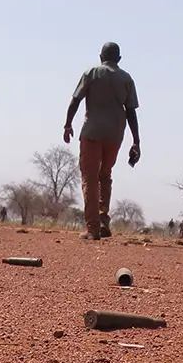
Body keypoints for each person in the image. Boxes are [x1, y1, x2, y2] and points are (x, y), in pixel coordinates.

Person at [63, 42, 140, 240]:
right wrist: (136, 141)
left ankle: (93, 228)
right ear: (119, 59)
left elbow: (75, 100)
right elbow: (131, 112)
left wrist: (68, 124)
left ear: (100, 57)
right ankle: (103, 220)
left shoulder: (91, 73)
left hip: (92, 133)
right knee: (104, 176)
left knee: (90, 177)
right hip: (115, 135)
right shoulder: (126, 78)